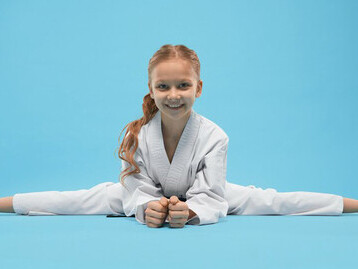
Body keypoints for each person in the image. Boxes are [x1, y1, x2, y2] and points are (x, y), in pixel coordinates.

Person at [1, 44, 358, 228]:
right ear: (151, 90)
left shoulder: (215, 136)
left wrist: (190, 212)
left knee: (272, 202)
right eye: (164, 86)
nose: (174, 94)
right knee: (78, 201)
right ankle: (6, 203)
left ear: (198, 88)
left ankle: (351, 205)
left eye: (183, 85)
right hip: (147, 198)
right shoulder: (137, 132)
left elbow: (210, 195)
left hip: (204, 195)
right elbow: (136, 189)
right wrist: (147, 208)